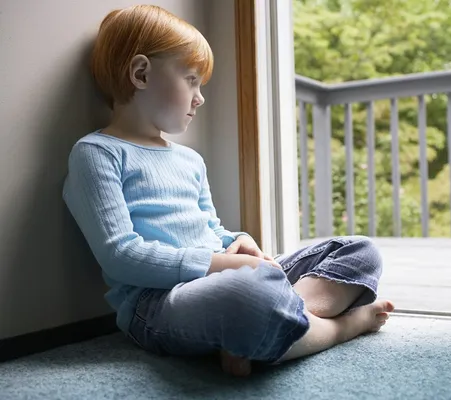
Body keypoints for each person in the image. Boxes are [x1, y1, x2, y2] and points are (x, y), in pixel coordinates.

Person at [63, 4, 394, 377]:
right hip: (158, 302)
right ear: (141, 73)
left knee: (358, 251)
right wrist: (225, 266)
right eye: (191, 79)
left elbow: (212, 231)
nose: (200, 97)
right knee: (247, 294)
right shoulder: (97, 153)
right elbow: (120, 256)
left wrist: (239, 240)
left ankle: (266, 328)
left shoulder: (189, 160)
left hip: (229, 275)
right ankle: (339, 328)